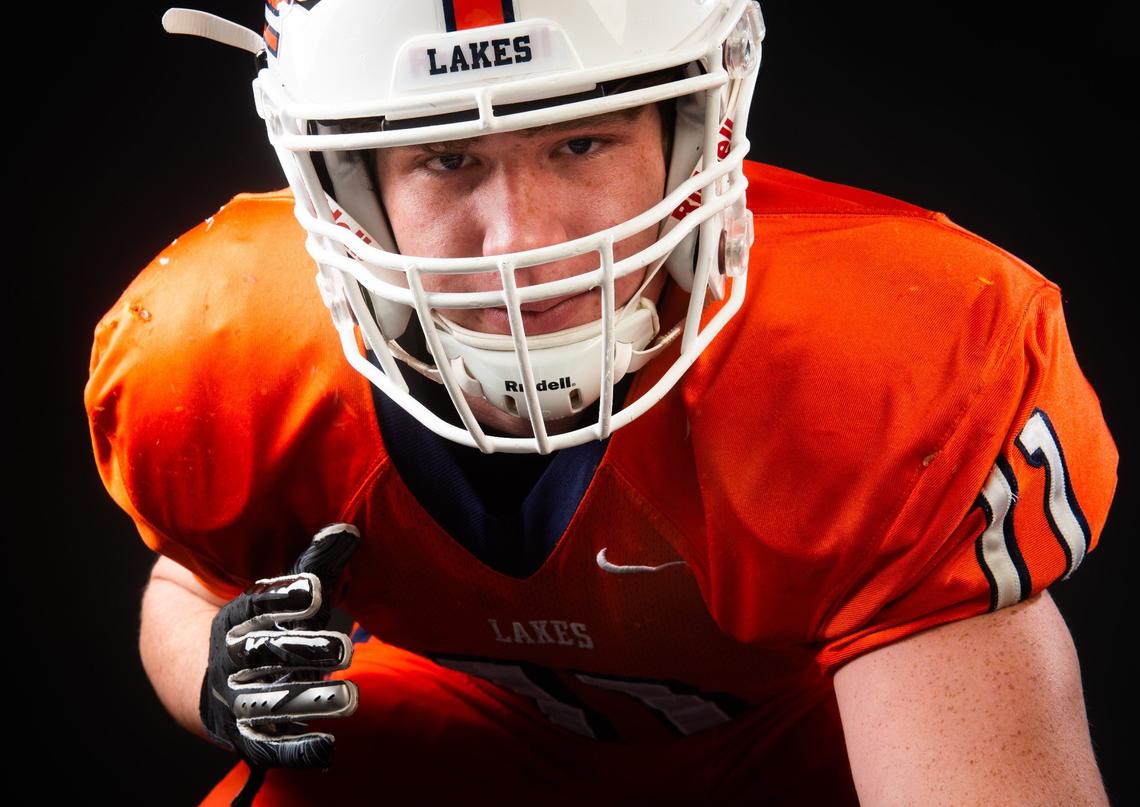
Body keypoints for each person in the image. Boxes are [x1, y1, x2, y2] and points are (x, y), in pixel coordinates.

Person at [84, 1, 1118, 804]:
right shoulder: (223, 342)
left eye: (579, 143)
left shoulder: (883, 362)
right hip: (440, 773)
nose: (522, 241)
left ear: (694, 131)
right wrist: (222, 680)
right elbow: (192, 590)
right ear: (347, 184)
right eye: (447, 156)